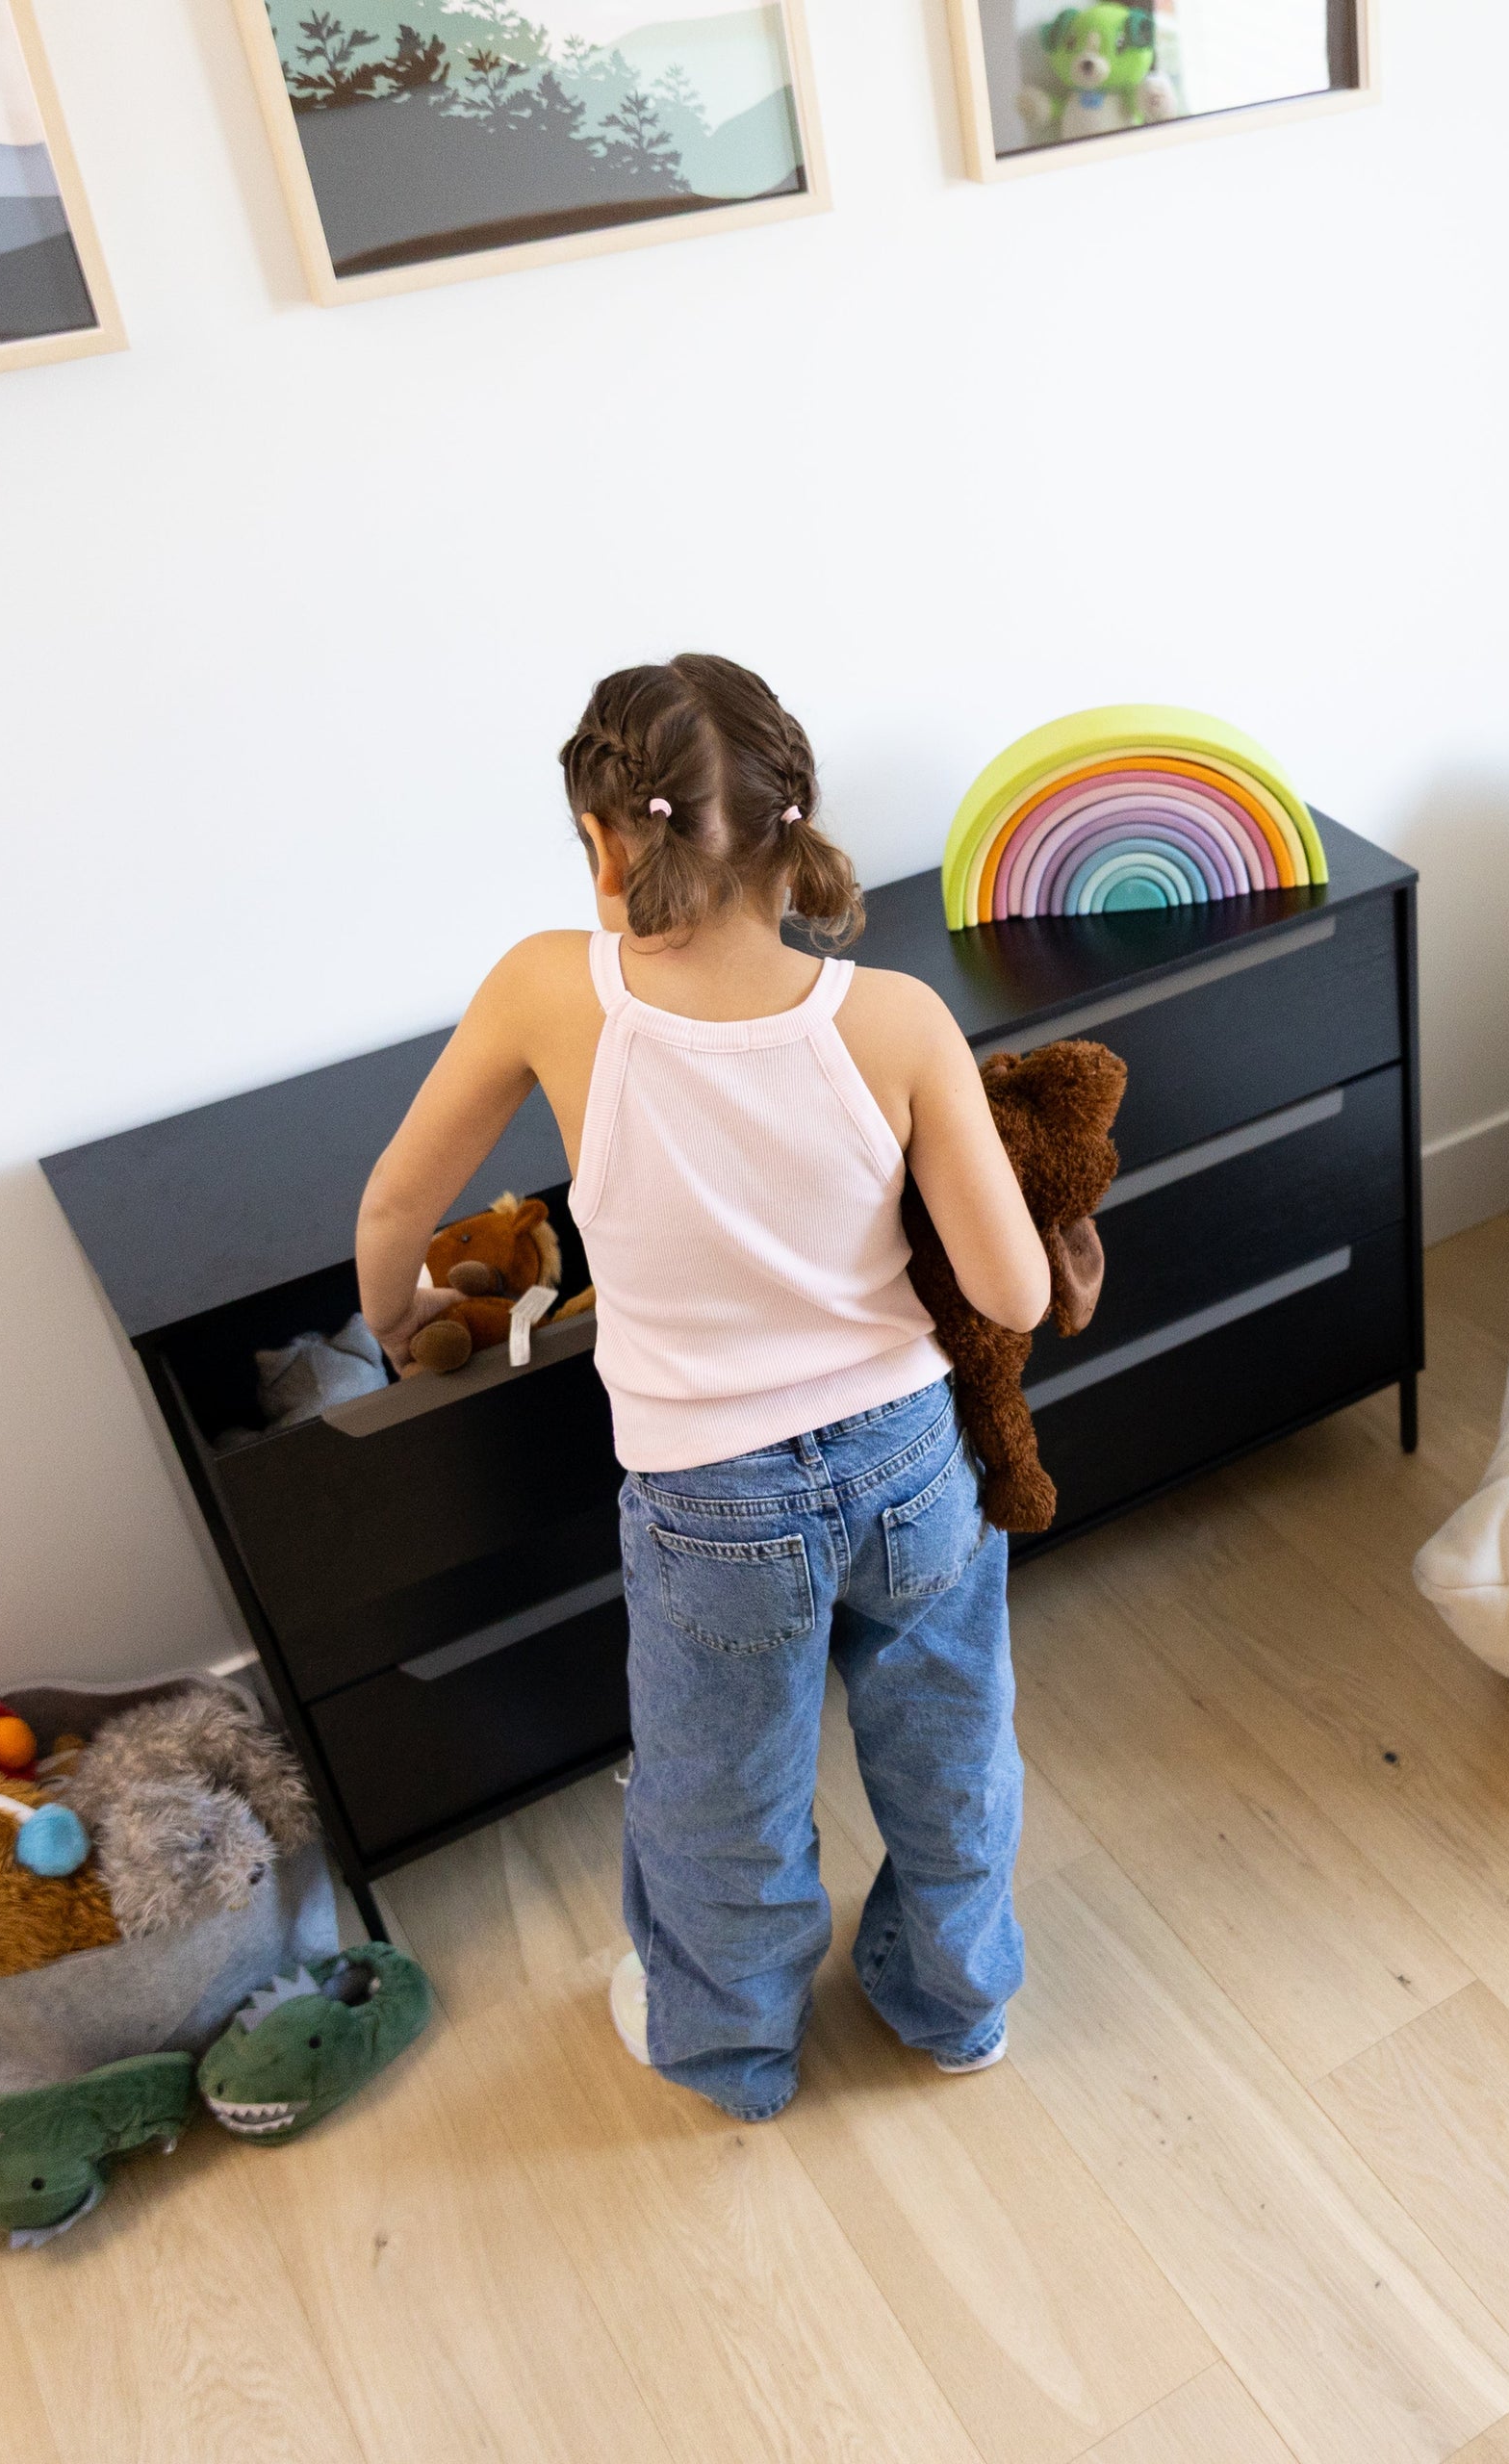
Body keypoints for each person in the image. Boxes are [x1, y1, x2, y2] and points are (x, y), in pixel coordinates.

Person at [353, 653, 1053, 2119]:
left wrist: (402, 1316)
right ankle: (957, 2010)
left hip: (710, 1505)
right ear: (795, 823)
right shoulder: (897, 1017)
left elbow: (395, 1209)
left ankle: (735, 2053)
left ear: (605, 842)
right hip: (912, 1464)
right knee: (952, 1755)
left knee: (720, 1799)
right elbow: (1014, 1296)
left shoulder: (547, 987)